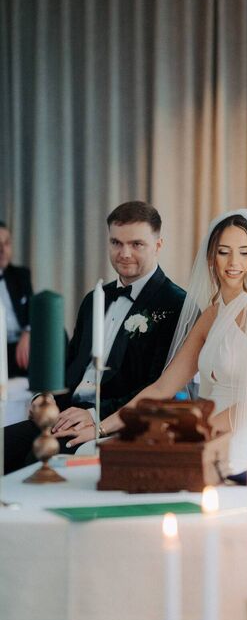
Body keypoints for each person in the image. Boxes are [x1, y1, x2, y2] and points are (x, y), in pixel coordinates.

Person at [68, 209, 247, 471]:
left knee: (169, 466)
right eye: (224, 252)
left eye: (244, 252)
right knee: (113, 456)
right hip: (206, 426)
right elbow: (161, 388)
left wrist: (196, 430)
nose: (234, 262)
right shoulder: (211, 316)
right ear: (211, 257)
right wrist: (100, 427)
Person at [4, 201, 186, 474]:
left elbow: (158, 386)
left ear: (158, 245)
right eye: (116, 243)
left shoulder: (175, 304)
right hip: (63, 413)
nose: (124, 253)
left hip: (110, 417)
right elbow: (70, 363)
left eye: (137, 244)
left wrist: (93, 415)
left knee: (35, 464)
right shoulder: (95, 299)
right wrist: (45, 396)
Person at [0, 221, 33, 377]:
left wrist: (27, 334)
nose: (2, 250)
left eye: (6, 243)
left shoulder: (20, 275)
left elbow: (33, 311)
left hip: (20, 345)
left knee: (59, 335)